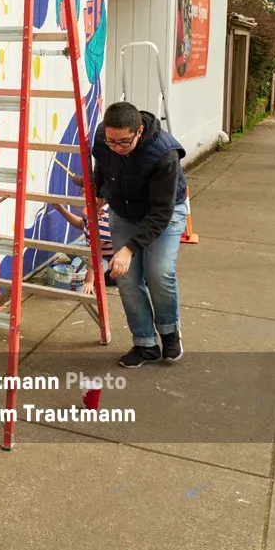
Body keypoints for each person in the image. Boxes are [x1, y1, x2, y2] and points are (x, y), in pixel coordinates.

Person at [90, 101, 189, 368]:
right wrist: (99, 189)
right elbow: (102, 163)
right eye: (111, 141)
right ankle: (145, 344)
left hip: (164, 213)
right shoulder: (104, 137)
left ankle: (169, 333)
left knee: (159, 271)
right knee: (127, 278)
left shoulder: (165, 153)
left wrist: (128, 248)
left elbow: (160, 213)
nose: (116, 147)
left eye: (123, 142)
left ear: (139, 130)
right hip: (123, 211)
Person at [49, 173, 116, 289]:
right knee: (70, 248)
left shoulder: (105, 216)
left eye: (85, 191)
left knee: (76, 268)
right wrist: (60, 209)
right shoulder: (92, 208)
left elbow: (94, 252)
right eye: (82, 190)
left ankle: (104, 275)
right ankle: (88, 270)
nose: (82, 193)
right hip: (93, 249)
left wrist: (89, 282)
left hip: (106, 258)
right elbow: (81, 224)